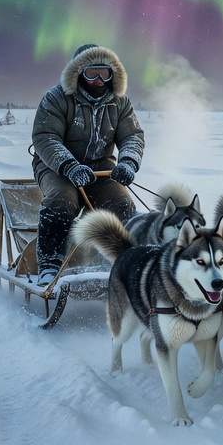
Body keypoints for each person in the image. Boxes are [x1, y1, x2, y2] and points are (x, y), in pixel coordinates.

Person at [30, 43, 145, 285]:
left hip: (101, 167)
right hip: (56, 167)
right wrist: (69, 166)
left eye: (105, 73)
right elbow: (45, 137)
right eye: (92, 73)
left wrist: (128, 163)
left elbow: (132, 135)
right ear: (78, 73)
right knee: (63, 200)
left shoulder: (120, 102)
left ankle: (114, 261)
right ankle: (50, 263)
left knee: (122, 204)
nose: (99, 80)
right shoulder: (56, 98)